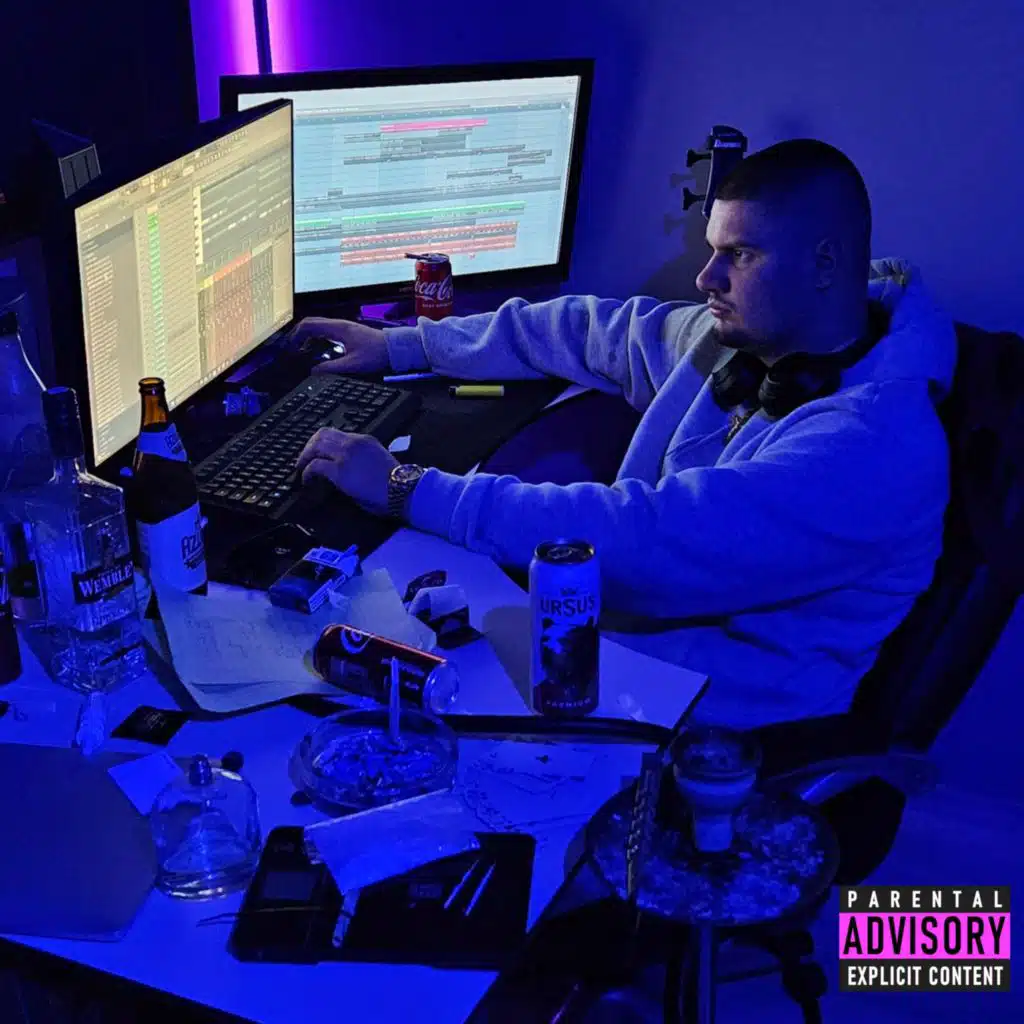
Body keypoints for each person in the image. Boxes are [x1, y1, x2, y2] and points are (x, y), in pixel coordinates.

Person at [291, 139, 957, 728]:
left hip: (719, 715)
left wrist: (406, 487)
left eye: (740, 254)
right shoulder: (750, 344)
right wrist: (404, 345)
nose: (706, 279)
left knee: (378, 704)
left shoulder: (876, 447)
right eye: (712, 250)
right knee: (390, 640)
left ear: (824, 264)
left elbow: (651, 537)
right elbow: (591, 330)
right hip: (623, 643)